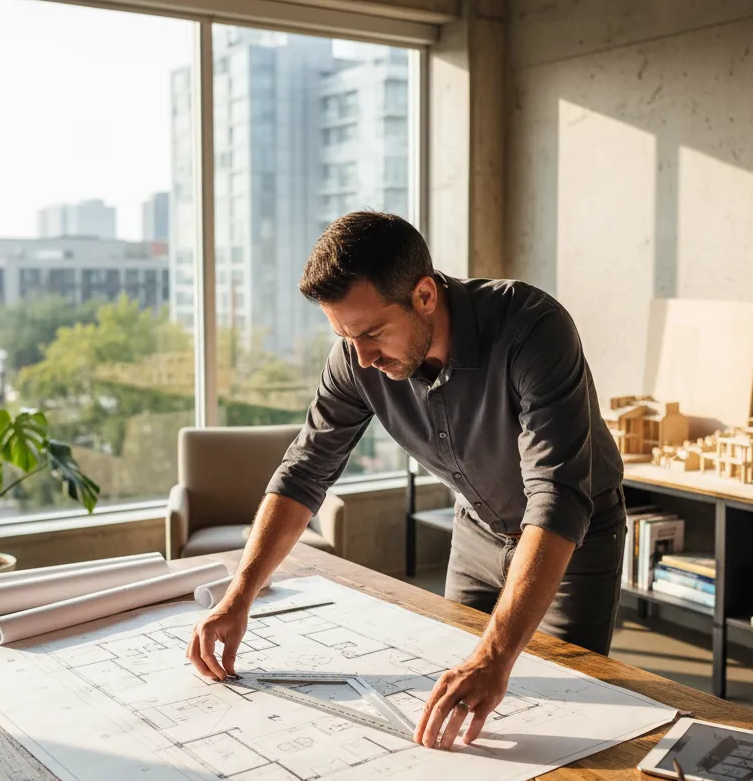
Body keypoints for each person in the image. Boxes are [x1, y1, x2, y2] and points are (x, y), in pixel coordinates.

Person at [187, 211, 625, 750]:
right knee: (458, 707)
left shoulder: (532, 327)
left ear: (424, 295)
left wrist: (494, 655)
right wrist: (238, 596)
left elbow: (556, 497)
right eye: (346, 338)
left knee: (566, 717)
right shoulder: (356, 359)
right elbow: (304, 472)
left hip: (570, 543)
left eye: (371, 333)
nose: (363, 359)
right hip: (477, 530)